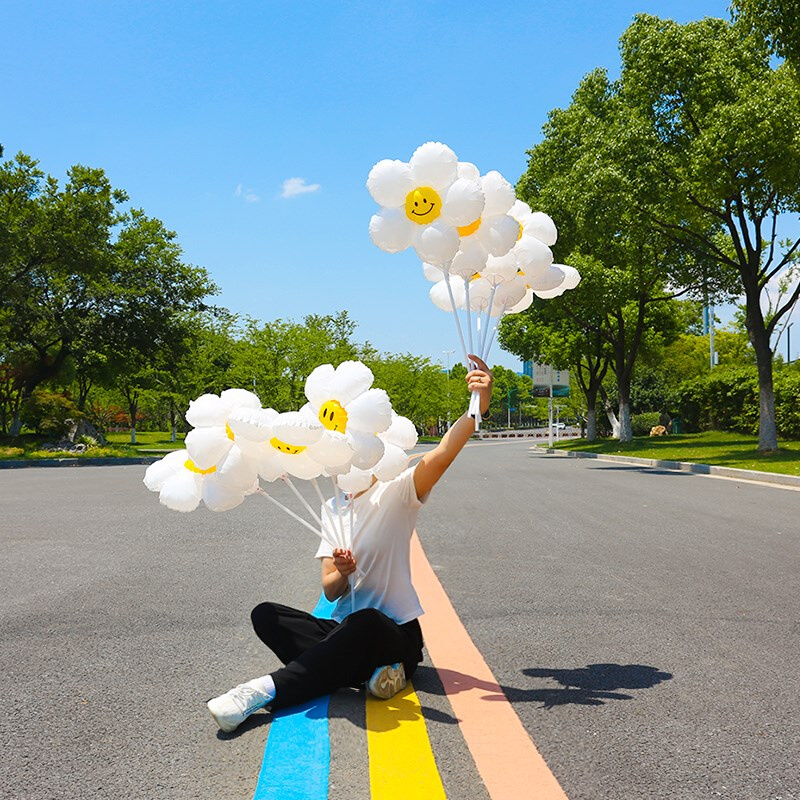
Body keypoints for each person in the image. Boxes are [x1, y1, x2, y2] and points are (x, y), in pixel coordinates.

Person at [207, 355, 493, 732]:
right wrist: (341, 571)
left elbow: (442, 454)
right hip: (343, 630)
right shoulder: (331, 507)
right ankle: (366, 674)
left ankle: (262, 690)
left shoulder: (398, 490)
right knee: (266, 614)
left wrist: (479, 405)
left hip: (394, 635)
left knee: (367, 621)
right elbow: (330, 589)